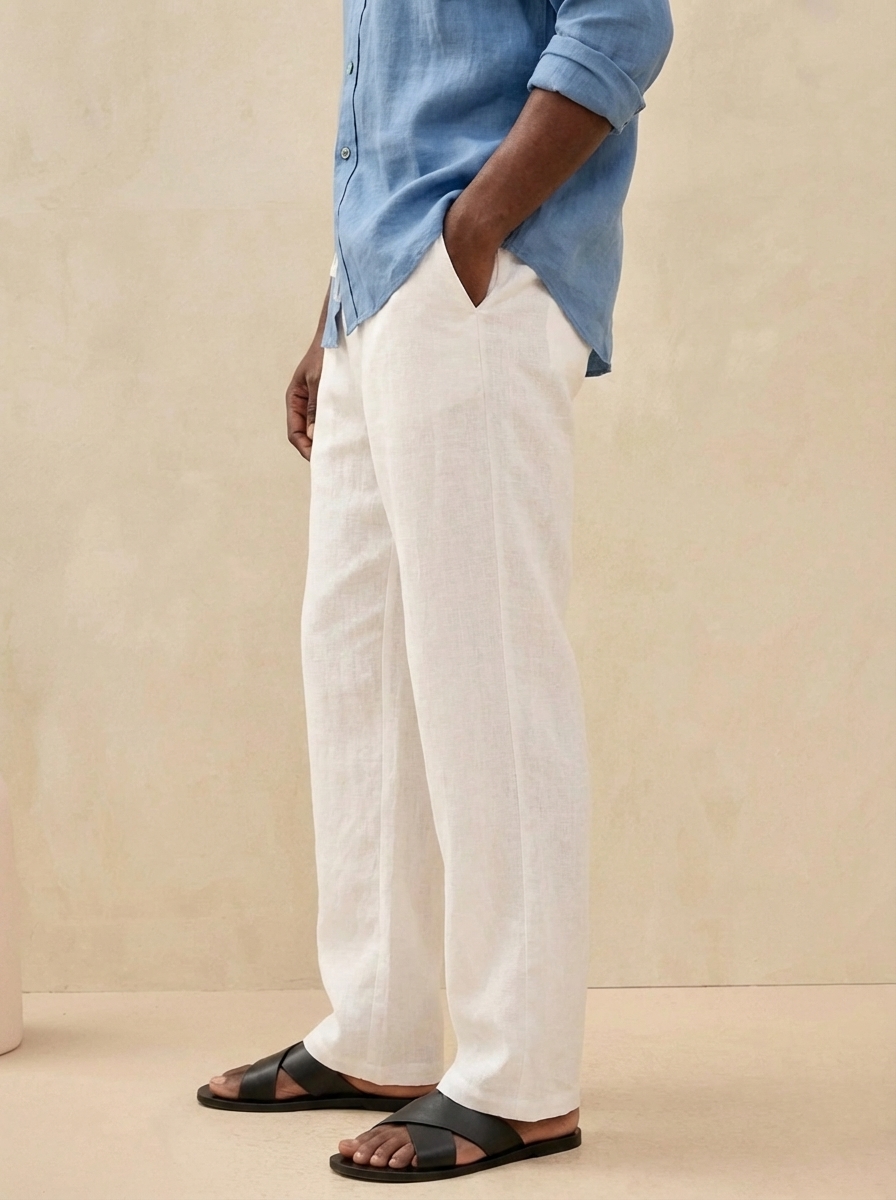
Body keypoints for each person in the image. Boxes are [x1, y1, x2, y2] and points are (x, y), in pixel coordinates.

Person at [197, 0, 673, 1183]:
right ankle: (377, 1028)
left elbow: (622, 23)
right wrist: (337, 312)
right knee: (354, 662)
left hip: (475, 277)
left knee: (486, 673)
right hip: (382, 288)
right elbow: (389, 104)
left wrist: (474, 228)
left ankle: (518, 1078)